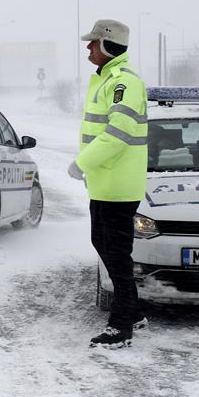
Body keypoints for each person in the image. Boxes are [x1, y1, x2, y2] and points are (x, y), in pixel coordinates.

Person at [67, 19, 148, 348]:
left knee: (117, 256)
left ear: (108, 46)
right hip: (105, 184)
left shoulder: (124, 82)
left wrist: (81, 163)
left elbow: (117, 134)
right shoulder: (105, 80)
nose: (88, 47)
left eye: (93, 42)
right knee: (104, 246)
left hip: (118, 186)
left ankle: (121, 327)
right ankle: (134, 312)